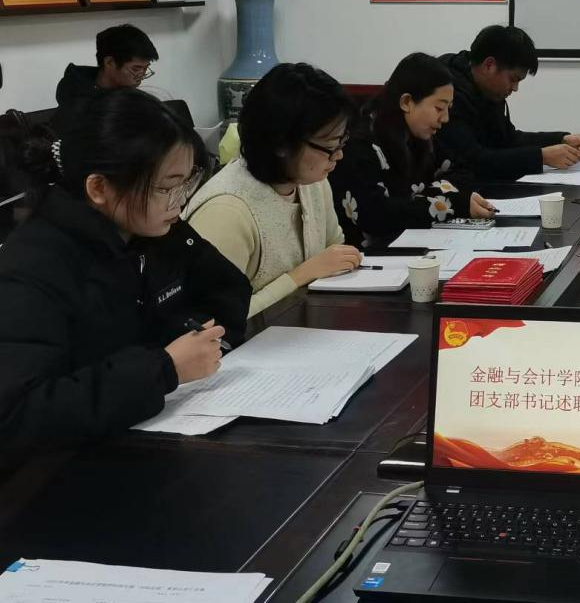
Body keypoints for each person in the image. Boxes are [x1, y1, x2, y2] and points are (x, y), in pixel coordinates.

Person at [0, 89, 249, 466]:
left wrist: (185, 341)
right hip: (59, 473)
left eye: (186, 182)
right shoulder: (33, 265)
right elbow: (17, 415)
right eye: (166, 187)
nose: (179, 201)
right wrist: (163, 368)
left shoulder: (155, 228)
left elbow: (226, 291)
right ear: (99, 188)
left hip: (156, 433)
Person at [186, 63, 361, 316]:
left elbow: (335, 253)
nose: (339, 155)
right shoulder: (225, 212)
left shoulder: (312, 181)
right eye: (331, 146)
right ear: (281, 143)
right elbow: (214, 323)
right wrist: (299, 277)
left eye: (342, 142)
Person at [330, 53, 495, 247]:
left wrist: (426, 199)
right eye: (439, 108)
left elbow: (462, 172)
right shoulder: (359, 144)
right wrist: (448, 203)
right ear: (406, 102)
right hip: (365, 256)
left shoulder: (420, 135)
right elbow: (377, 215)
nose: (445, 118)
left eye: (448, 108)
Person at [436, 25, 580, 181]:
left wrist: (561, 139)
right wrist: (541, 157)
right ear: (489, 65)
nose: (515, 88)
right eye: (513, 79)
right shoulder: (447, 93)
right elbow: (472, 160)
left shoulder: (487, 91)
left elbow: (508, 139)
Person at [52, 24, 159, 136]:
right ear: (109, 62)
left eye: (145, 68)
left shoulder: (134, 98)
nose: (141, 75)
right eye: (135, 69)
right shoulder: (77, 106)